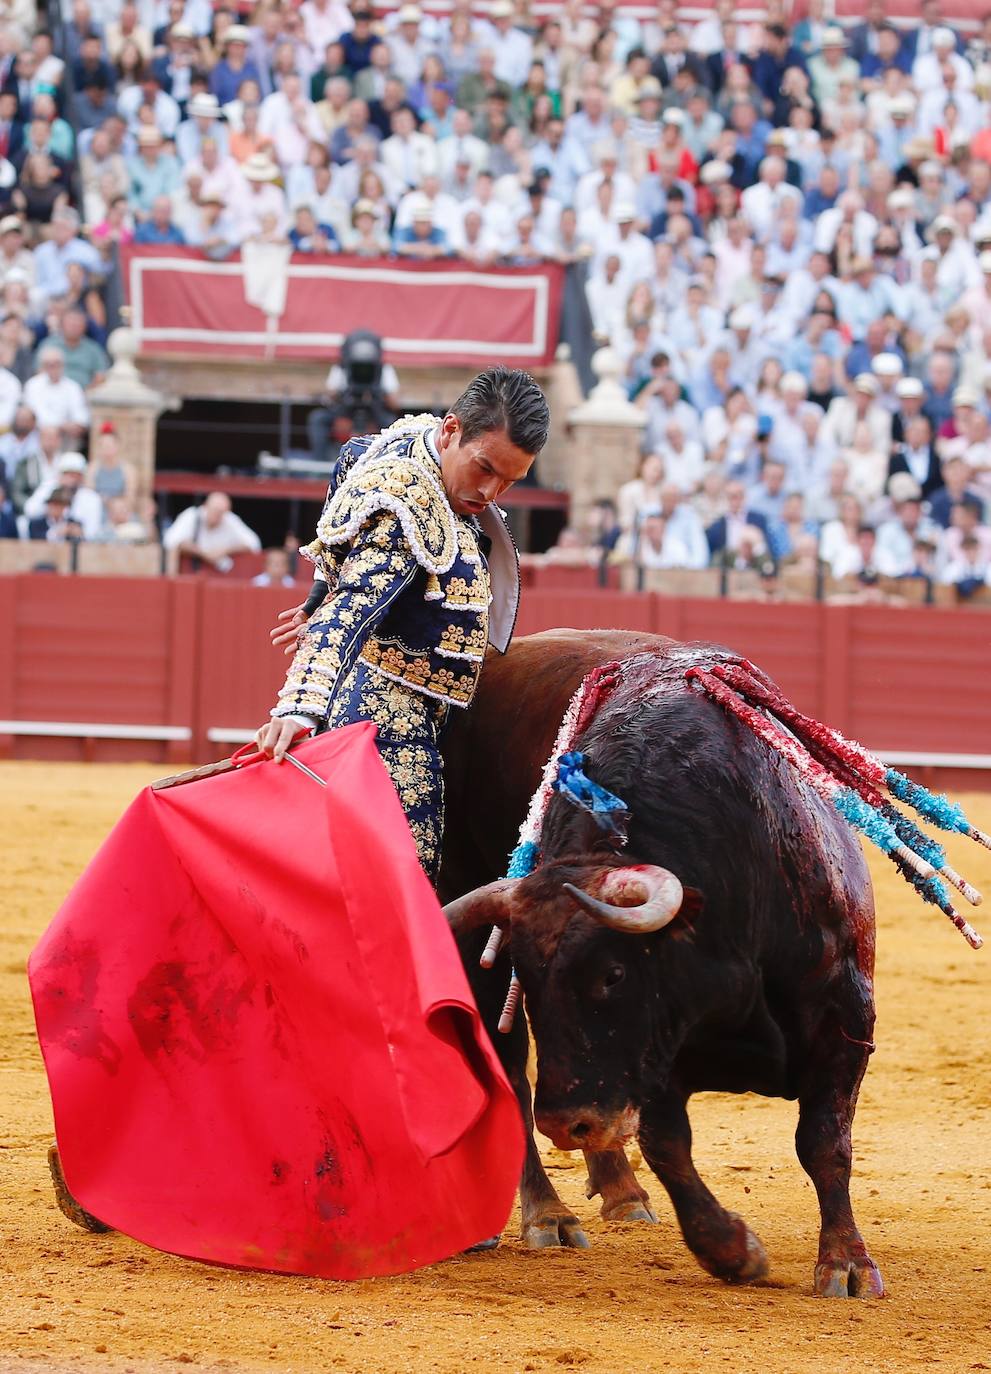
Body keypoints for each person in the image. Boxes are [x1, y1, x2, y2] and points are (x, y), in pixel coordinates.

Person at [255, 367, 550, 880]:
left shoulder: (400, 446)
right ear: (451, 430)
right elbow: (352, 608)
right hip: (390, 709)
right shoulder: (405, 504)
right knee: (408, 872)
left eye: (509, 480)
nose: (492, 491)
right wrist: (300, 707)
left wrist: (316, 595)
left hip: (437, 708)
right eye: (485, 468)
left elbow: (348, 470)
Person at [162, 491, 262, 570]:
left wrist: (225, 550)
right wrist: (203, 553)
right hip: (189, 574)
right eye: (215, 511)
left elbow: (254, 544)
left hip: (220, 579)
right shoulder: (192, 515)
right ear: (205, 506)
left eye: (221, 513)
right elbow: (170, 541)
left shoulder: (230, 519)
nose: (217, 516)